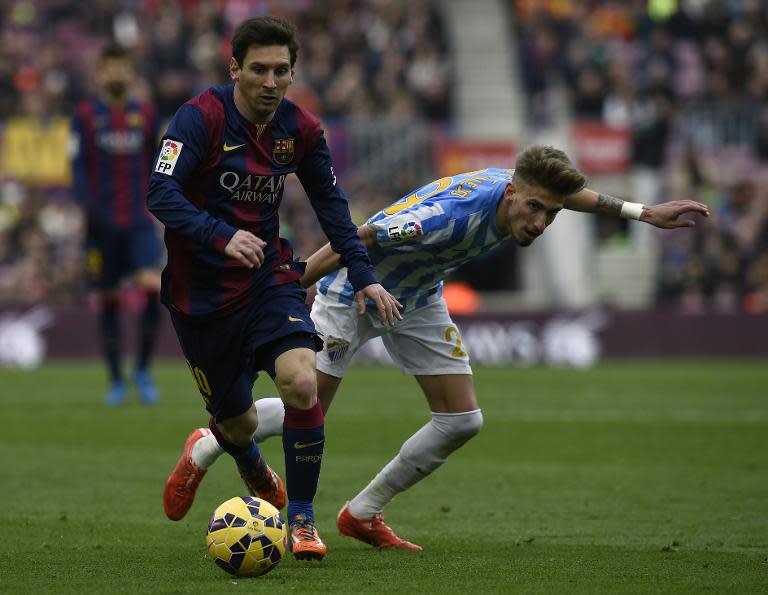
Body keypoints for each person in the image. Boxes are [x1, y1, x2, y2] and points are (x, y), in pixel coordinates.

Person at [179, 145, 709, 551]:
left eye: (549, 214)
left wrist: (645, 213)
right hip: (355, 291)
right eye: (535, 211)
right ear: (510, 195)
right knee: (310, 408)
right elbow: (358, 239)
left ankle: (361, 513)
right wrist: (292, 286)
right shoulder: (445, 218)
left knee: (462, 420)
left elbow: (574, 196)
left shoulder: (527, 190)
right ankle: (208, 442)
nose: (541, 223)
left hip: (417, 296)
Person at [148, 16, 400, 562]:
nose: (269, 81)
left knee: (301, 382)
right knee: (236, 424)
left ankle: (303, 521)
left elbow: (333, 211)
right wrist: (219, 236)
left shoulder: (300, 130)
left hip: (268, 279)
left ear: (293, 73)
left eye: (280, 71)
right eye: (258, 69)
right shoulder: (199, 119)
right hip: (201, 297)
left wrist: (365, 278)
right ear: (234, 67)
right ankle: (233, 453)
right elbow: (160, 193)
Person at [71, 43, 164, 406]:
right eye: (109, 69)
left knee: (153, 289)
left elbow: (161, 156)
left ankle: (141, 369)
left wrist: (164, 193)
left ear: (130, 73)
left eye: (122, 68)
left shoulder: (146, 113)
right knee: (108, 300)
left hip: (139, 222)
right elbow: (77, 165)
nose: (116, 75)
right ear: (100, 75)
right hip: (101, 225)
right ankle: (115, 380)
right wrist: (88, 208)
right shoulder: (84, 115)